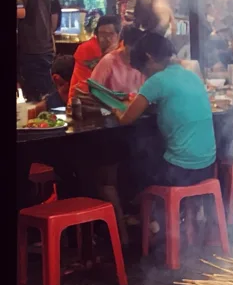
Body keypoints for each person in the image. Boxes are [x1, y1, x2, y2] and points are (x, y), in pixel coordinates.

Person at [119, 32, 217, 189]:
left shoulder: (157, 80)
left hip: (181, 171)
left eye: (143, 69)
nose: (144, 75)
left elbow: (126, 119)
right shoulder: (191, 75)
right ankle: (186, 211)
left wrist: (112, 107)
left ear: (149, 58)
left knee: (136, 163)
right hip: (208, 166)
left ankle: (141, 209)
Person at [17, 0, 62, 102]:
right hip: (47, 48)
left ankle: (35, 120)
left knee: (31, 91)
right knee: (46, 87)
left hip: (29, 48)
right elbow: (54, 24)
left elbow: (20, 13)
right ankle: (48, 118)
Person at [68, 13, 121, 100]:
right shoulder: (86, 49)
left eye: (110, 34)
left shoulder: (123, 50)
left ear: (118, 35)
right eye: (102, 34)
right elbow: (82, 86)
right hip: (84, 101)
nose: (106, 39)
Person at [91, 24, 145, 94]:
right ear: (124, 44)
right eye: (132, 48)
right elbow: (93, 87)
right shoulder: (109, 60)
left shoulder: (144, 64)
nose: (135, 52)